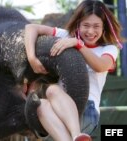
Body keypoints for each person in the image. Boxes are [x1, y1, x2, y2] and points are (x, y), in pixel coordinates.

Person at [24, 0, 124, 141]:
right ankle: (76, 138)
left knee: (52, 90)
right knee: (41, 103)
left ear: (104, 28)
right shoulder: (66, 36)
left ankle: (76, 133)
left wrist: (78, 45)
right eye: (86, 25)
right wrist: (32, 58)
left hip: (86, 109)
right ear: (78, 24)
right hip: (57, 109)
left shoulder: (108, 49)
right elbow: (31, 28)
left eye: (96, 26)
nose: (90, 31)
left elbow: (101, 66)